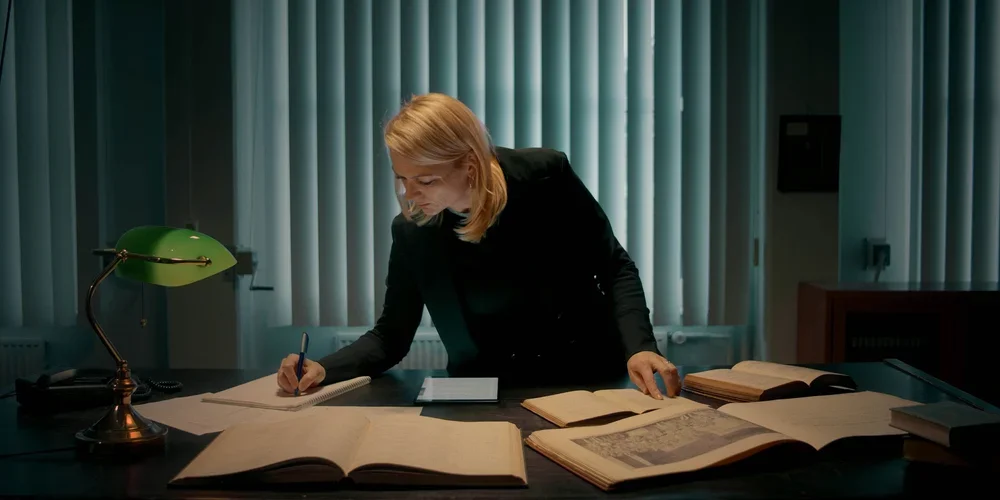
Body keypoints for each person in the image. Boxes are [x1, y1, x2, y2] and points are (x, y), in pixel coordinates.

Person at [277, 93, 680, 399]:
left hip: (583, 377)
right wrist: (322, 368)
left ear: (468, 165)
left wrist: (640, 348)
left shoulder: (544, 177)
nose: (410, 195)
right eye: (402, 179)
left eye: (426, 180)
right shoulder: (412, 232)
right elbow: (390, 336)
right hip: (483, 391)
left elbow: (613, 266)